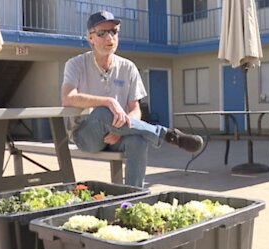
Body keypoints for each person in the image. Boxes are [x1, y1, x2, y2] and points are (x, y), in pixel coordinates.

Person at [61, 10, 203, 188]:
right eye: (102, 33)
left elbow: (135, 110)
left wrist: (119, 130)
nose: (109, 37)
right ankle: (167, 135)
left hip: (118, 134)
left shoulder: (128, 67)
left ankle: (131, 199)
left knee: (138, 141)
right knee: (104, 111)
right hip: (85, 135)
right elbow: (67, 98)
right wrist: (108, 101)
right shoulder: (75, 64)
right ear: (90, 38)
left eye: (114, 31)